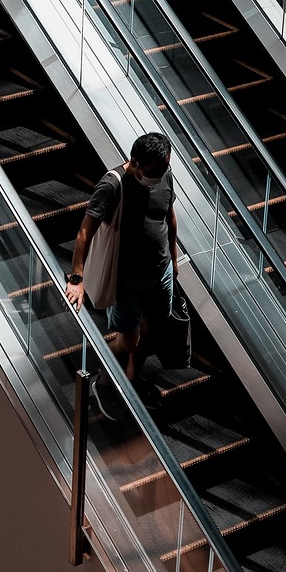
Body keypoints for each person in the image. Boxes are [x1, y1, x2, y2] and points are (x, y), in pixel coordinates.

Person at [65, 131, 178, 419]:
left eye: (164, 168)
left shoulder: (165, 175)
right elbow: (84, 232)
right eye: (154, 171)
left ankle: (129, 382)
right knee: (128, 340)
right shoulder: (112, 185)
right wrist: (77, 279)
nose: (161, 175)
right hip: (126, 279)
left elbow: (169, 217)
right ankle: (103, 381)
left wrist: (174, 261)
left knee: (150, 331)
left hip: (160, 271)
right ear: (136, 163)